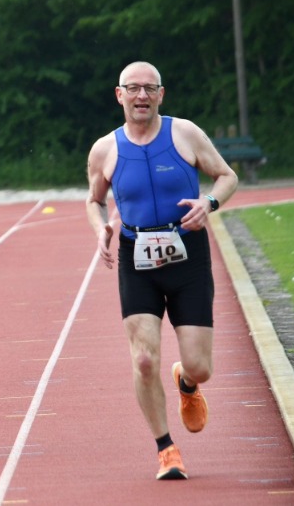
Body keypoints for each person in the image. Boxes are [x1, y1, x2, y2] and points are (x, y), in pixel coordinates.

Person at [85, 61, 238, 480]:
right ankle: (166, 449)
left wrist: (209, 204)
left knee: (200, 365)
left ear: (161, 94)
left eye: (149, 89)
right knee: (145, 359)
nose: (141, 96)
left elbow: (227, 176)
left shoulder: (185, 133)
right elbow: (94, 200)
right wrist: (102, 229)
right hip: (137, 259)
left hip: (187, 254)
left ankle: (188, 384)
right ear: (119, 95)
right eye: (132, 89)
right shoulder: (105, 149)